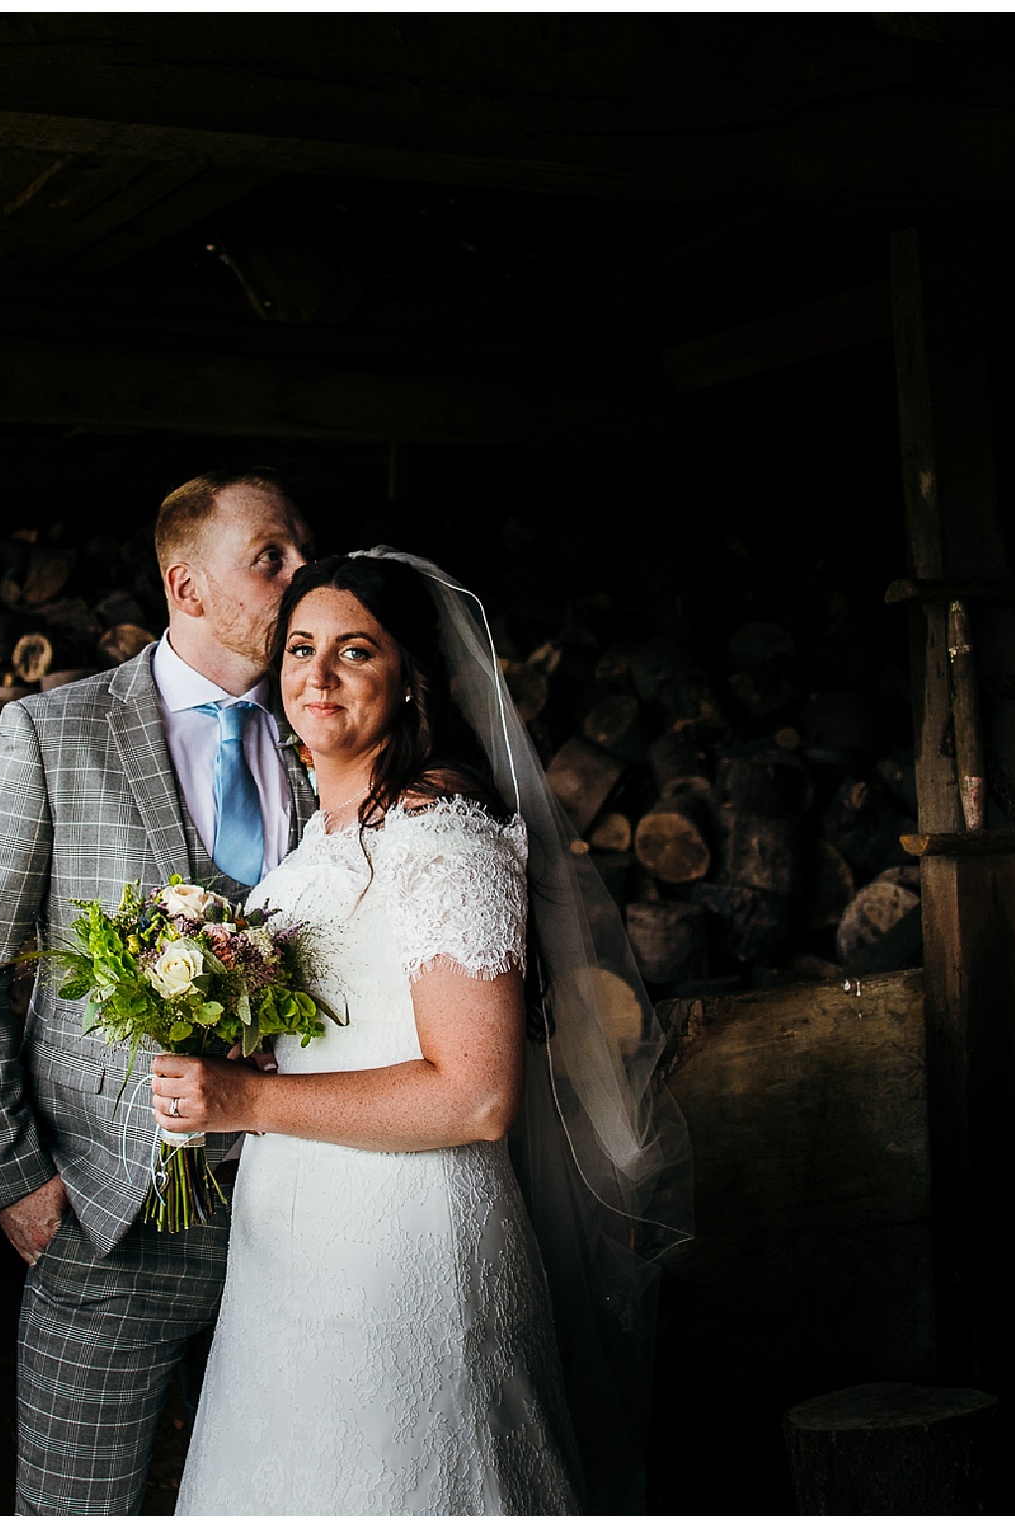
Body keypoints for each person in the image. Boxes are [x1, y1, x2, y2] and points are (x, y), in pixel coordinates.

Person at [152, 550, 694, 1515]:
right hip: (293, 1253)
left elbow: (477, 1095)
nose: (316, 677)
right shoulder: (323, 839)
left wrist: (249, 1099)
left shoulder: (444, 837)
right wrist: (230, 1061)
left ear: (411, 684)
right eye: (301, 649)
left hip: (406, 1255)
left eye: (354, 652)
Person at [0, 470, 315, 1514]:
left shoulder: (322, 734)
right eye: (270, 557)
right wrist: (10, 1174)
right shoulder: (56, 734)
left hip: (300, 1214)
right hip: (105, 1218)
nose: (301, 577)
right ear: (187, 584)